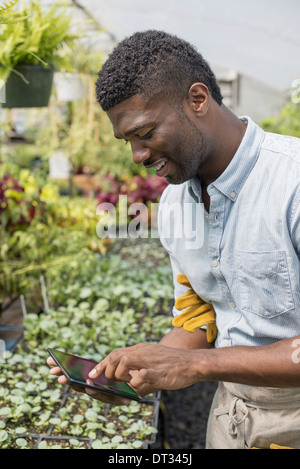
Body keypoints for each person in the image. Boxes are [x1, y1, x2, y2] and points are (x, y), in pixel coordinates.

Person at [47, 30, 300, 449]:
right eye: (127, 141)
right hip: (231, 419)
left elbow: (199, 359)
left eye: (144, 132)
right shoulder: (174, 206)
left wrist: (197, 365)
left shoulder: (291, 183)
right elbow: (199, 313)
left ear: (197, 100)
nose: (138, 156)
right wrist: (137, 372)